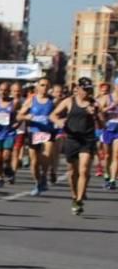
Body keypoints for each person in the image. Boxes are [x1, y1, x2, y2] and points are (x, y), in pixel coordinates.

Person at [50, 77, 102, 215]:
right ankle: (74, 195)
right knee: (72, 172)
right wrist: (59, 121)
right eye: (84, 89)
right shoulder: (69, 101)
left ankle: (79, 200)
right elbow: (53, 115)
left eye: (89, 89)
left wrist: (96, 115)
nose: (87, 92)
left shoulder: (94, 103)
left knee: (84, 170)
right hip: (72, 139)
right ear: (78, 88)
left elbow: (102, 124)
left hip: (87, 139)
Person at [16, 77, 55, 196]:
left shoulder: (53, 101)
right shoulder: (31, 100)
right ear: (37, 87)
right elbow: (19, 116)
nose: (45, 88)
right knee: (34, 162)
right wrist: (26, 117)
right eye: (42, 85)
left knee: (46, 157)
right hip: (34, 133)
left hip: (47, 133)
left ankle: (44, 175)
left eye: (47, 85)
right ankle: (38, 182)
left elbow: (60, 113)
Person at [0, 81, 18, 188]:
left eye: (6, 90)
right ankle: (0, 178)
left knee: (6, 156)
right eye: (1, 90)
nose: (3, 92)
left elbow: (19, 115)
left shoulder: (14, 102)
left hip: (9, 132)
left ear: (9, 91)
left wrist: (17, 124)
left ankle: (8, 169)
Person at [96, 82, 118, 190]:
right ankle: (107, 175)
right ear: (115, 86)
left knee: (116, 155)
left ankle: (113, 180)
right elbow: (99, 112)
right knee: (107, 155)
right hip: (108, 129)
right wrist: (110, 107)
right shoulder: (107, 98)